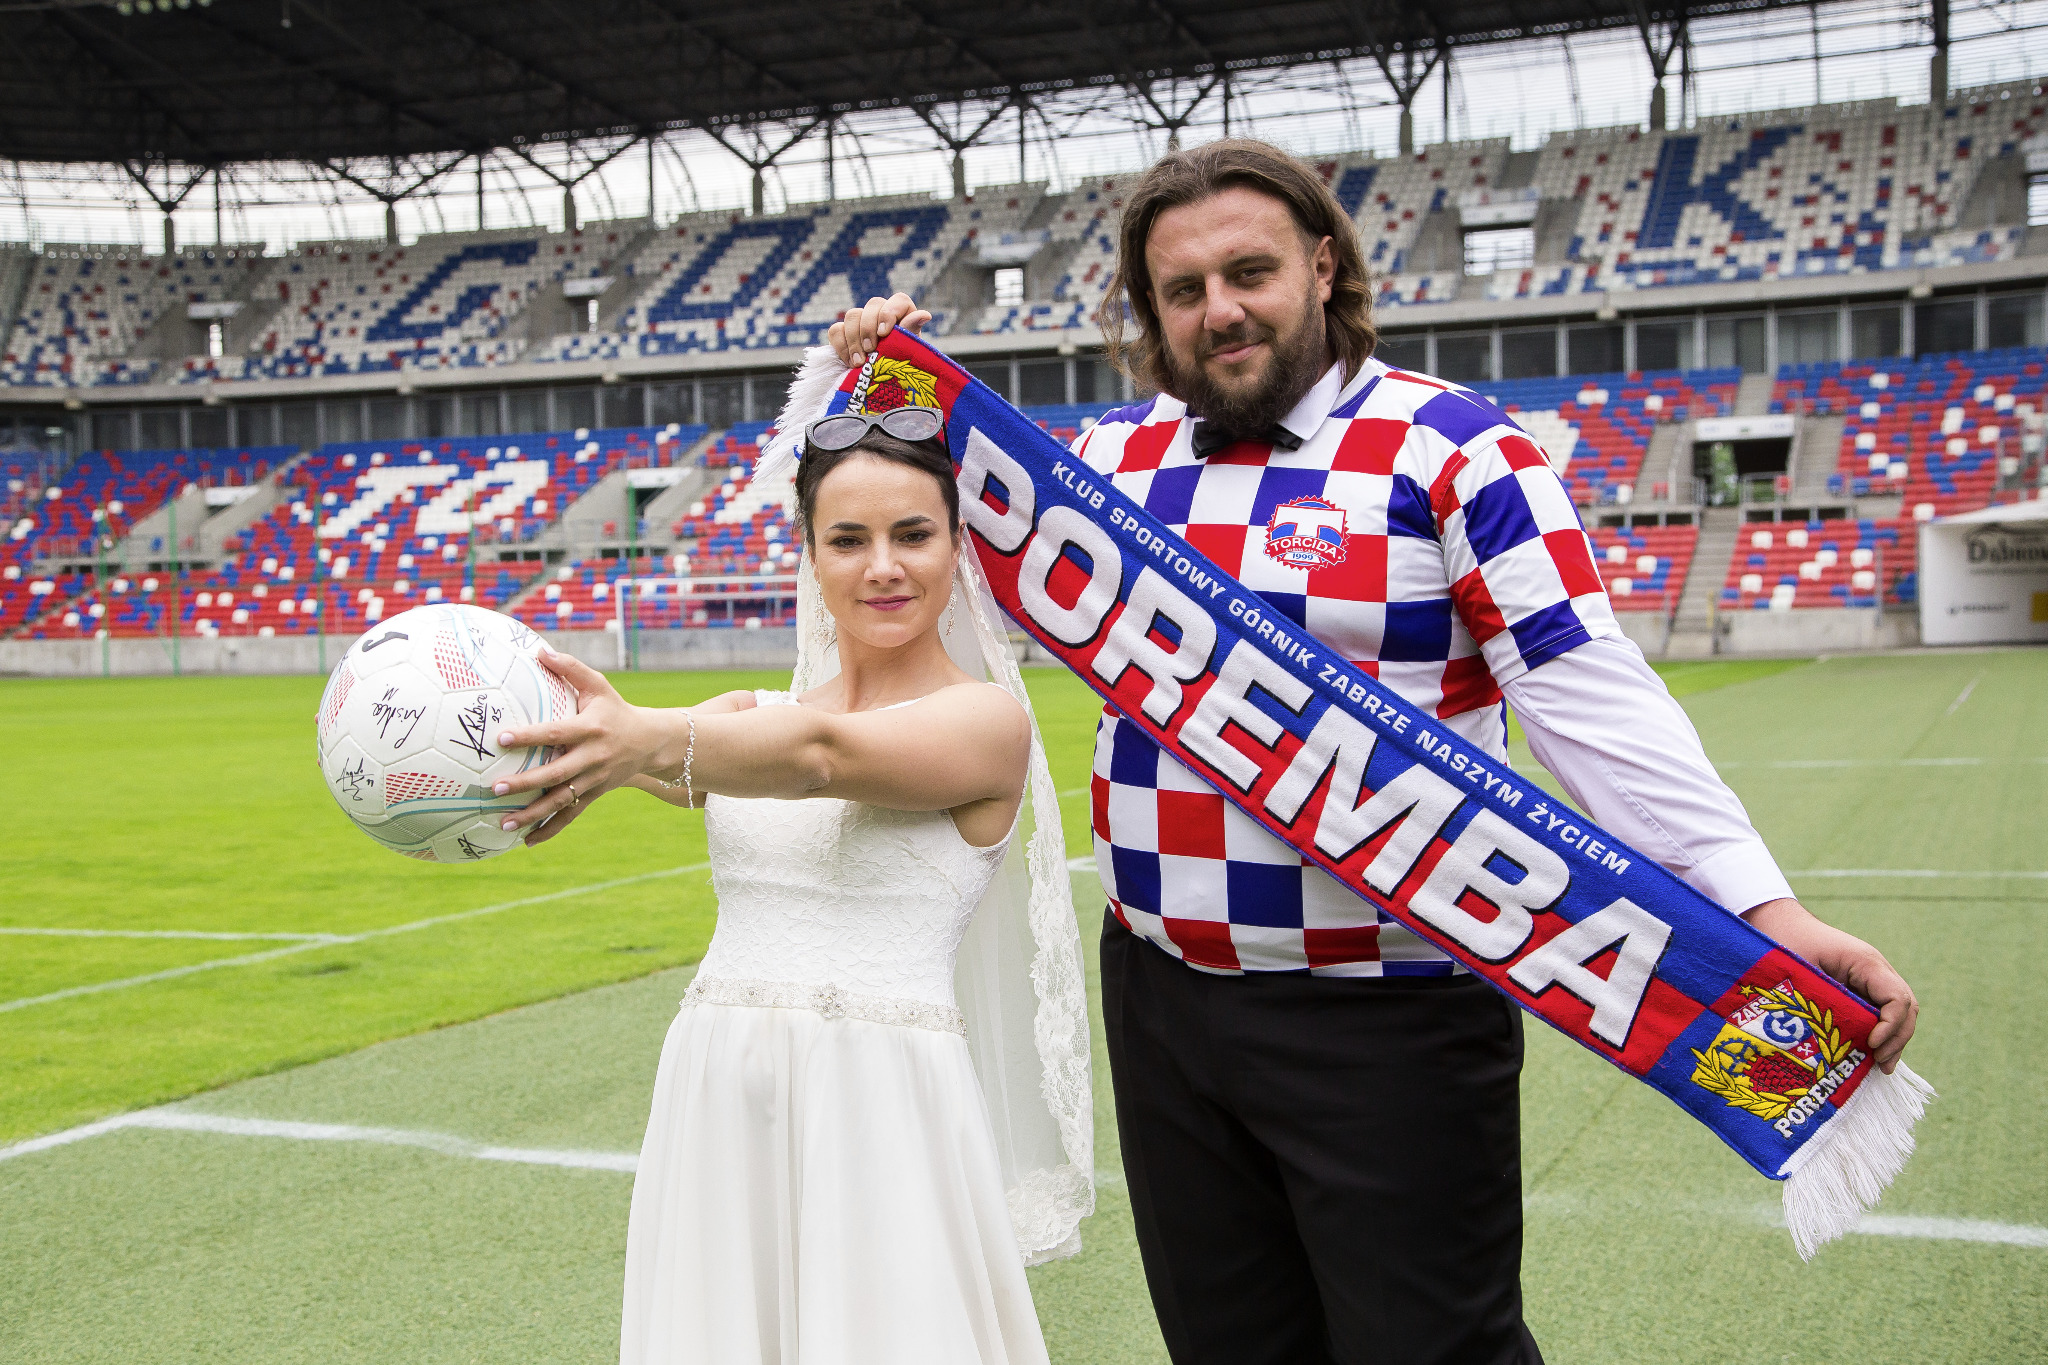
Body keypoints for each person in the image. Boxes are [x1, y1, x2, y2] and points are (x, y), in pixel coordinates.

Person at [829, 138, 1919, 1365]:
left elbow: (1584, 695)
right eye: (1181, 291)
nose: (1218, 310)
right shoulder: (1103, 470)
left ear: (1323, 263)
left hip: (1392, 1016)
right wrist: (880, 396)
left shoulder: (1455, 448)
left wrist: (1760, 907)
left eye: (1248, 272)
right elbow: (913, 592)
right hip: (1162, 1004)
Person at [493, 411, 1094, 1365]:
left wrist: (644, 735)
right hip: (719, 1085)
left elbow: (821, 759)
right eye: (847, 540)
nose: (882, 566)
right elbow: (670, 754)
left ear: (956, 546)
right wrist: (559, 751)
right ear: (810, 555)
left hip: (882, 1099)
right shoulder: (745, 716)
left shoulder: (986, 723)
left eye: (912, 534)